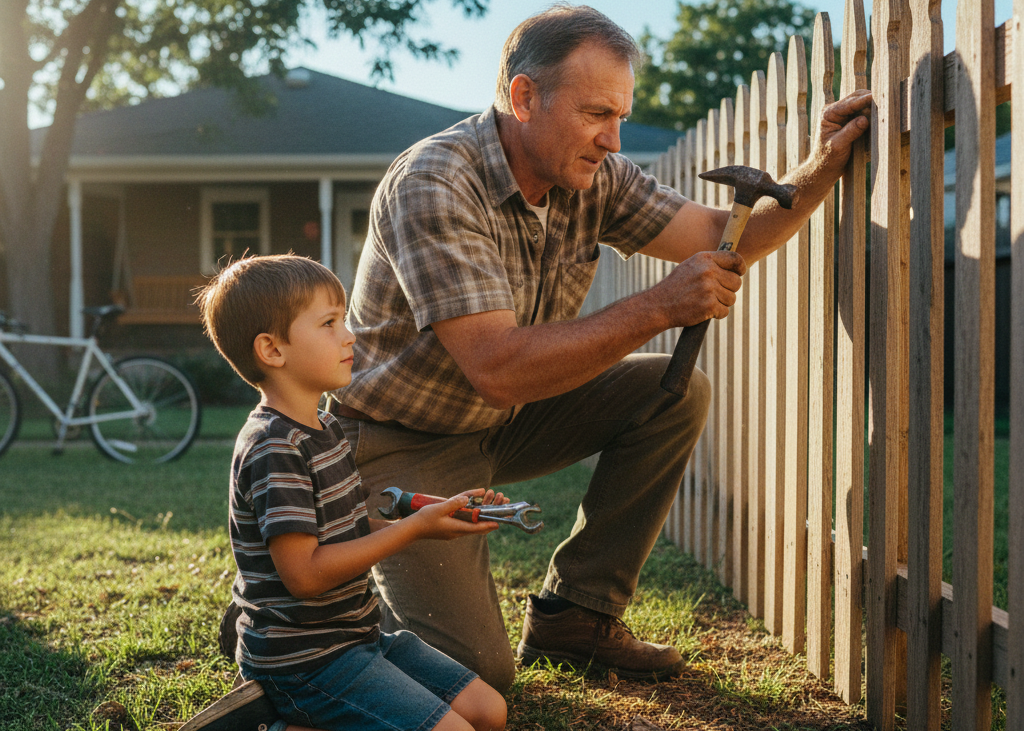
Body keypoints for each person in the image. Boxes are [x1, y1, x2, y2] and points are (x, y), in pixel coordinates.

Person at [332, 4, 873, 694]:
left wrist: (820, 164)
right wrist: (659, 305)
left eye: (620, 116)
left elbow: (722, 232)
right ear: (525, 97)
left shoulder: (591, 178)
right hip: (398, 441)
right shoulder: (436, 183)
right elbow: (495, 366)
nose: (614, 140)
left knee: (672, 392)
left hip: (504, 420)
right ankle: (321, 604)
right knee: (478, 678)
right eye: (596, 114)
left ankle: (576, 615)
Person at [197, 254, 507, 731]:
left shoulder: (326, 427)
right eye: (328, 323)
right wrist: (412, 531)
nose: (350, 336)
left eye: (343, 320)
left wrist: (433, 521)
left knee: (490, 713)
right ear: (271, 350)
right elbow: (305, 574)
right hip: (303, 660)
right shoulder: (273, 448)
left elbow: (347, 531)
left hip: (360, 635)